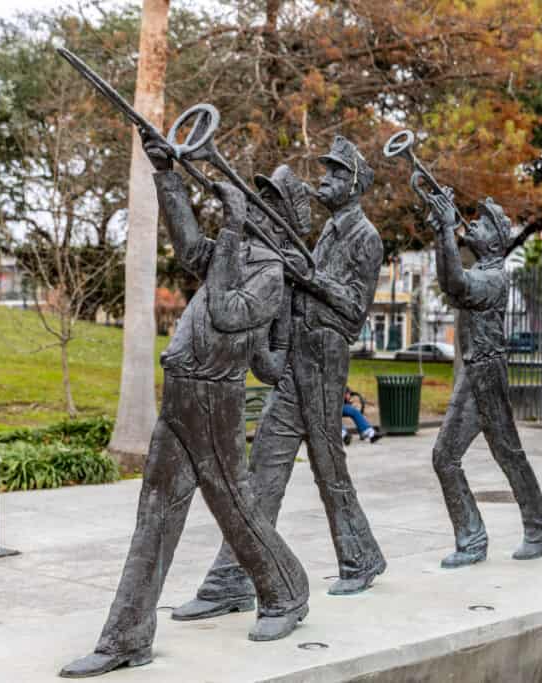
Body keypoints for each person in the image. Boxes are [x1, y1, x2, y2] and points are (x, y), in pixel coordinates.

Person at [59, 142, 309, 678]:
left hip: (214, 397)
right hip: (181, 391)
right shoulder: (235, 253)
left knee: (236, 507)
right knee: (155, 511)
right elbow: (191, 248)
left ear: (283, 222)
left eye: (267, 204)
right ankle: (127, 637)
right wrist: (167, 176)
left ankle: (287, 591)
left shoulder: (271, 273)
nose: (256, 206)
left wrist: (234, 229)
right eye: (256, 200)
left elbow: (225, 311)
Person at [171, 136, 387, 623]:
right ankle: (230, 579)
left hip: (325, 359)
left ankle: (360, 558)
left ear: (355, 184)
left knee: (328, 468)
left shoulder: (365, 236)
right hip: (298, 361)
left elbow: (355, 310)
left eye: (334, 173)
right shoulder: (329, 231)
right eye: (326, 171)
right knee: (263, 471)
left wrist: (306, 277)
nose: (324, 180)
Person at [424, 189, 542, 569]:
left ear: (496, 240)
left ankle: (528, 531)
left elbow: (456, 284)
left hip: (486, 375)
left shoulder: (494, 277)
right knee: (458, 456)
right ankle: (481, 538)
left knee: (495, 455)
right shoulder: (481, 272)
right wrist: (441, 234)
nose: (473, 224)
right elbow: (450, 281)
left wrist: (446, 232)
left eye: (481, 223)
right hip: (475, 372)